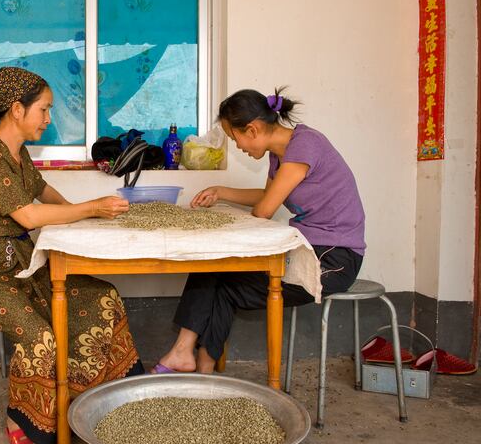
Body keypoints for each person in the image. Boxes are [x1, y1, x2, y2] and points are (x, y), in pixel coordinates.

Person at [0, 67, 144, 444]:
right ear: (17, 109)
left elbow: (42, 190)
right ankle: (22, 421)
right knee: (40, 337)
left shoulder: (16, 151)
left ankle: (87, 395)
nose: (49, 118)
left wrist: (80, 211)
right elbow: (27, 216)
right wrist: (90, 208)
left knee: (103, 297)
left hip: (20, 261)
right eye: (44, 109)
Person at [155, 88, 365, 374]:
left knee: (221, 278)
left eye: (235, 138)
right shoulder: (281, 156)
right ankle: (195, 364)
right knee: (214, 268)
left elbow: (265, 209)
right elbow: (268, 196)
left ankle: (193, 361)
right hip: (311, 247)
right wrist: (222, 192)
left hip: (334, 259)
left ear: (252, 130)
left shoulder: (305, 145)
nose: (238, 147)